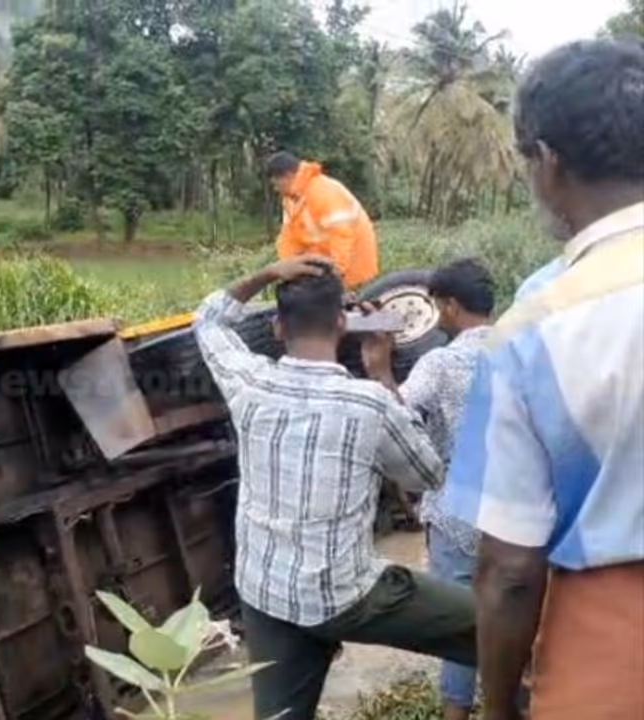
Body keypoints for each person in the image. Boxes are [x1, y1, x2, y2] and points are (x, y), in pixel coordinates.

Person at [442, 38, 644, 720]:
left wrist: (497, 707)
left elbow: (508, 571)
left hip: (614, 645)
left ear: (548, 162)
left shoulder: (533, 331)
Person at [194, 256, 476, 720]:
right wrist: (382, 374)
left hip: (266, 593)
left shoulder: (248, 380)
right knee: (504, 625)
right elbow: (427, 476)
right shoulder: (369, 403)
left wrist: (268, 273)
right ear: (343, 323)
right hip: (348, 597)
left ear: (279, 329)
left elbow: (209, 317)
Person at [362, 258, 497, 720]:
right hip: (520, 514)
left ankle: (456, 714)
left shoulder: (440, 362)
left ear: (449, 307)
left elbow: (399, 416)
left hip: (458, 515)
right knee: (519, 613)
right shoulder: (525, 348)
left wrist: (380, 369)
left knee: (459, 624)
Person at [267, 152, 379, 291]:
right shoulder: (291, 200)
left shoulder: (323, 191)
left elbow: (342, 235)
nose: (275, 189)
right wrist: (289, 266)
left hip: (351, 261)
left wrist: (337, 270)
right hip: (325, 263)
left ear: (288, 176)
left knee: (352, 306)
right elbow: (289, 237)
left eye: (276, 183)